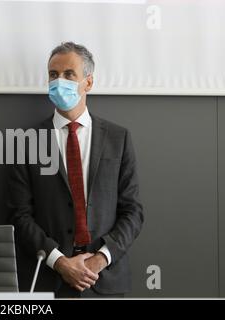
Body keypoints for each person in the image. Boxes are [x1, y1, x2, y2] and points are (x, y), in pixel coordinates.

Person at [8, 42, 144, 297]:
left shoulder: (118, 138)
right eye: (53, 75)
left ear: (88, 83)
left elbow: (133, 211)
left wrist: (100, 259)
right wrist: (59, 261)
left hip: (105, 281)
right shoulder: (26, 141)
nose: (59, 81)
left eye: (69, 74)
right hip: (49, 281)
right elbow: (19, 215)